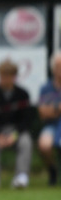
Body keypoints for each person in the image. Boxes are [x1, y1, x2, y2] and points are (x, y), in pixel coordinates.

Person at [0, 59, 33, 189]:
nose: (3, 79)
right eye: (1, 76)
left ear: (13, 77)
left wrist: (14, 136)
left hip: (16, 131)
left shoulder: (23, 94)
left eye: (6, 76)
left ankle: (21, 177)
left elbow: (26, 120)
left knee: (25, 142)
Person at [36, 52, 61, 186]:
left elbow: (48, 110)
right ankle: (52, 171)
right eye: (58, 67)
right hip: (51, 125)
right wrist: (58, 108)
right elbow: (43, 112)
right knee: (44, 145)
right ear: (53, 68)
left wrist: (52, 109)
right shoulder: (46, 88)